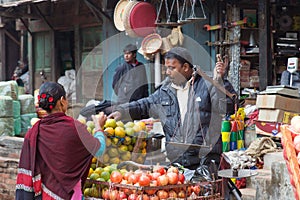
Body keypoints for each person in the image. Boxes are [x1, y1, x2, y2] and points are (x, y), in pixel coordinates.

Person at [109, 47, 237, 169]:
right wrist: (123, 111)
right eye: (166, 68)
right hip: (178, 160)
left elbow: (227, 107)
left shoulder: (208, 84)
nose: (167, 72)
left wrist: (221, 81)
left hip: (205, 160)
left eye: (172, 68)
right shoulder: (165, 91)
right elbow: (145, 104)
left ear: (185, 67)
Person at [16, 82, 107, 200]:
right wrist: (98, 127)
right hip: (70, 195)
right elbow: (99, 149)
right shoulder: (75, 128)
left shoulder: (33, 132)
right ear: (62, 100)